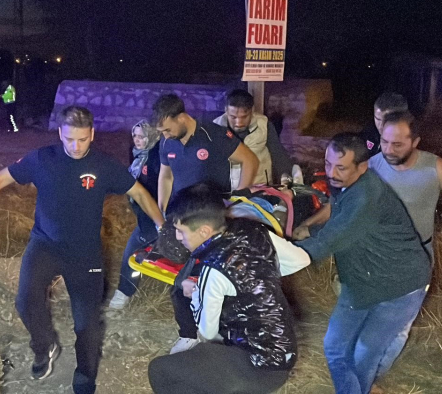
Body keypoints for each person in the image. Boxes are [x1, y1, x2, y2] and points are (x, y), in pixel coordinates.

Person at [0, 106, 164, 394]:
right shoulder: (42, 159)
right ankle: (44, 346)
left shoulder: (104, 165)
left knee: (87, 325)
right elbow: (2, 178)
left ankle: (85, 376)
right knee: (26, 302)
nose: (76, 146)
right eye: (70, 139)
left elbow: (138, 192)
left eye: (83, 139)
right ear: (60, 133)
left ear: (92, 134)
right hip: (45, 244)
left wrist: (161, 225)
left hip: (85, 253)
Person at [293, 133, 432, 394]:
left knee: (364, 354)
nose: (331, 173)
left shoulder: (366, 196)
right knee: (335, 347)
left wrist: (278, 258)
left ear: (363, 166)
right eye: (328, 164)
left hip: (400, 286)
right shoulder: (345, 185)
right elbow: (341, 221)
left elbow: (331, 240)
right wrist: (310, 229)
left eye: (341, 167)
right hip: (361, 281)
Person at [148, 184, 306, 394]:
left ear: (204, 231)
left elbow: (207, 333)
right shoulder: (253, 230)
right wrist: (259, 278)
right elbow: (301, 260)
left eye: (181, 231)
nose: (178, 237)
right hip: (284, 355)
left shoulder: (214, 268)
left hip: (253, 365)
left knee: (159, 370)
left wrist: (197, 294)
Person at [369, 110, 442, 378]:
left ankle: (372, 377)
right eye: (384, 142)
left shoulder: (435, 168)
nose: (388, 150)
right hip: (376, 256)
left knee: (399, 326)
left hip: (415, 258)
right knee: (369, 319)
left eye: (397, 144)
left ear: (415, 142)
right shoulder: (372, 165)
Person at [152, 93, 259, 354]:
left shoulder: (214, 135)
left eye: (167, 129)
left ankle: (205, 334)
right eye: (161, 132)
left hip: (211, 218)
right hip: (183, 216)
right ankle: (192, 332)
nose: (165, 136)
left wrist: (238, 198)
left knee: (198, 275)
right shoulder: (167, 142)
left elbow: (250, 160)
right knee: (172, 266)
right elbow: (166, 176)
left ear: (181, 117)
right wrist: (162, 211)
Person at [109, 120, 161, 309]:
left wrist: (159, 220)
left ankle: (124, 291)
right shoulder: (139, 155)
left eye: (142, 137)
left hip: (155, 216)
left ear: (152, 137)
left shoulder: (157, 158)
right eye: (135, 136)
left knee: (133, 253)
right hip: (144, 215)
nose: (137, 140)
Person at [213, 89, 297, 186]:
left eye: (244, 117)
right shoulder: (215, 129)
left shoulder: (264, 125)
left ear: (252, 110)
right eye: (233, 117)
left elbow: (279, 157)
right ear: (226, 110)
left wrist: (286, 183)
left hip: (260, 187)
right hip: (228, 189)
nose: (238, 123)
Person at [360, 92, 409, 158]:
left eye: (387, 121)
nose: (381, 126)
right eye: (378, 119)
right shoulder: (369, 132)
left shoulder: (407, 143)